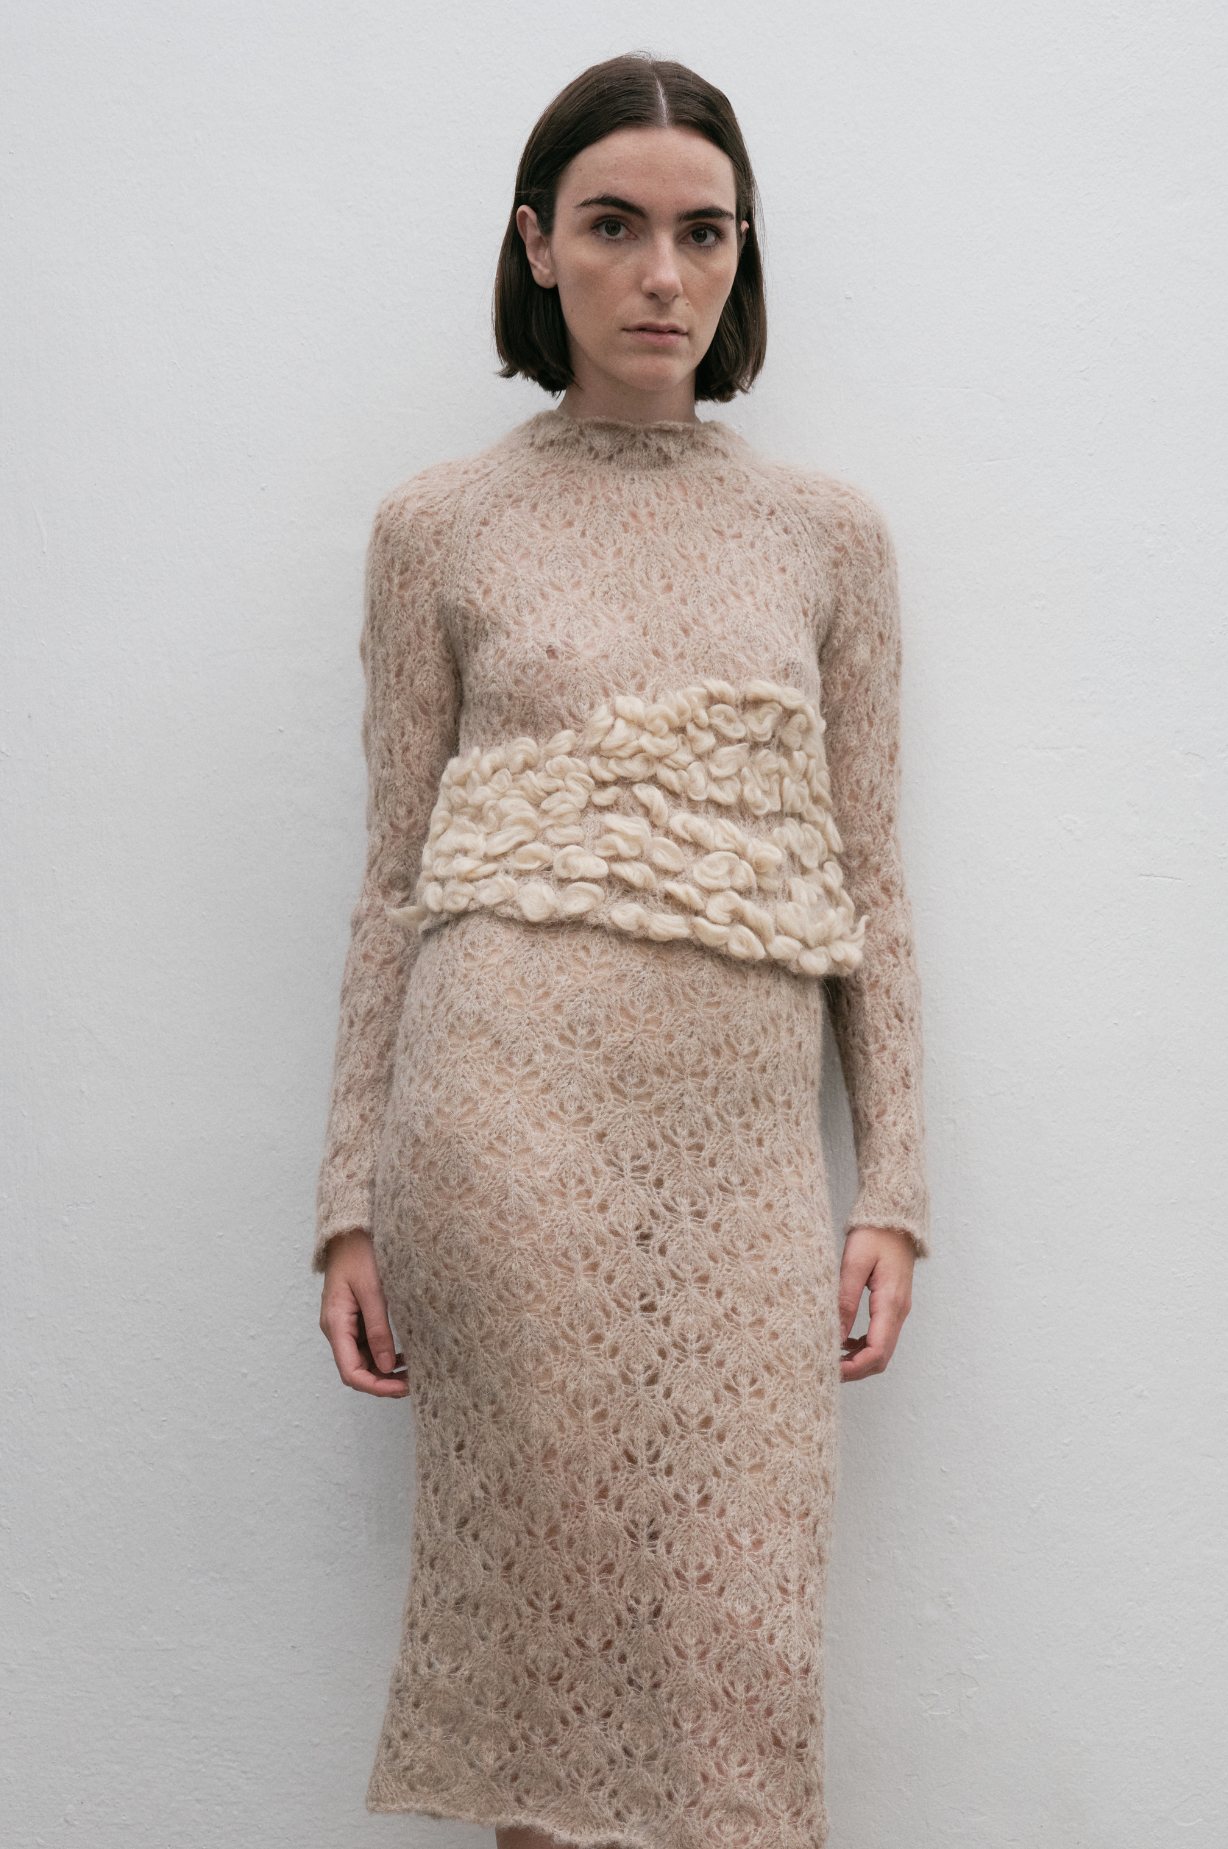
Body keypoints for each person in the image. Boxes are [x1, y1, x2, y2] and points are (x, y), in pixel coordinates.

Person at [314, 52, 927, 1849]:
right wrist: (345, 1198)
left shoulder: (827, 536)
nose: (664, 273)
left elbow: (870, 879)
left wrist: (894, 1183)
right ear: (538, 246)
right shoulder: (437, 526)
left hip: (742, 1161)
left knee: (742, 1659)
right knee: (551, 1668)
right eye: (614, 226)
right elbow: (392, 875)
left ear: (742, 254)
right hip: (501, 1136)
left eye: (703, 232)